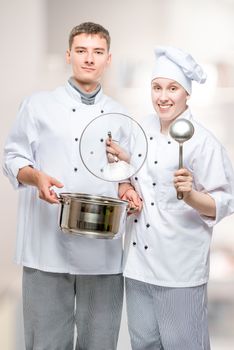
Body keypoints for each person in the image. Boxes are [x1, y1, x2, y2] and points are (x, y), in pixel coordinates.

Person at [3, 22, 127, 350]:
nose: (89, 59)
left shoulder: (120, 114)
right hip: (46, 246)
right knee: (45, 344)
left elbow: (127, 173)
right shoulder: (37, 104)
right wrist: (36, 177)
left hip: (102, 250)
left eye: (97, 52)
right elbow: (12, 158)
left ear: (108, 59)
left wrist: (128, 187)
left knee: (100, 343)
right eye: (82, 51)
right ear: (68, 55)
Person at [118, 46, 234, 350]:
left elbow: (224, 201)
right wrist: (127, 187)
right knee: (143, 344)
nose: (163, 96)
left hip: (179, 269)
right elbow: (135, 177)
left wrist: (191, 196)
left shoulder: (203, 141)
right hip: (138, 266)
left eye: (172, 88)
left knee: (185, 345)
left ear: (187, 93)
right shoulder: (141, 128)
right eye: (156, 87)